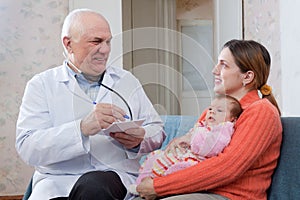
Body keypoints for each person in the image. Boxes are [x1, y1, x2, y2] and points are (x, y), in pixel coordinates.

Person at [15, 8, 165, 200]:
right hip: (58, 182)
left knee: (94, 186)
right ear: (68, 44)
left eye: (108, 41)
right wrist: (81, 129)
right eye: (96, 41)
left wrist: (140, 140)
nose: (105, 49)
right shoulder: (41, 85)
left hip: (113, 179)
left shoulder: (127, 81)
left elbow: (157, 130)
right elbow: (28, 147)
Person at [135, 39, 282, 200]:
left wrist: (159, 187)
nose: (214, 70)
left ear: (247, 77)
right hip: (197, 191)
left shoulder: (262, 111)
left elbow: (228, 167)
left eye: (224, 65)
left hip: (231, 196)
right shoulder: (213, 111)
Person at [128, 95, 242, 195]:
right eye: (210, 108)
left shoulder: (222, 130)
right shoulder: (203, 125)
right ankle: (141, 184)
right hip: (183, 154)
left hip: (195, 161)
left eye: (219, 110)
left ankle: (162, 186)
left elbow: (209, 148)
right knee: (155, 157)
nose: (212, 112)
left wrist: (190, 140)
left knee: (179, 170)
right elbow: (187, 137)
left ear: (232, 119)